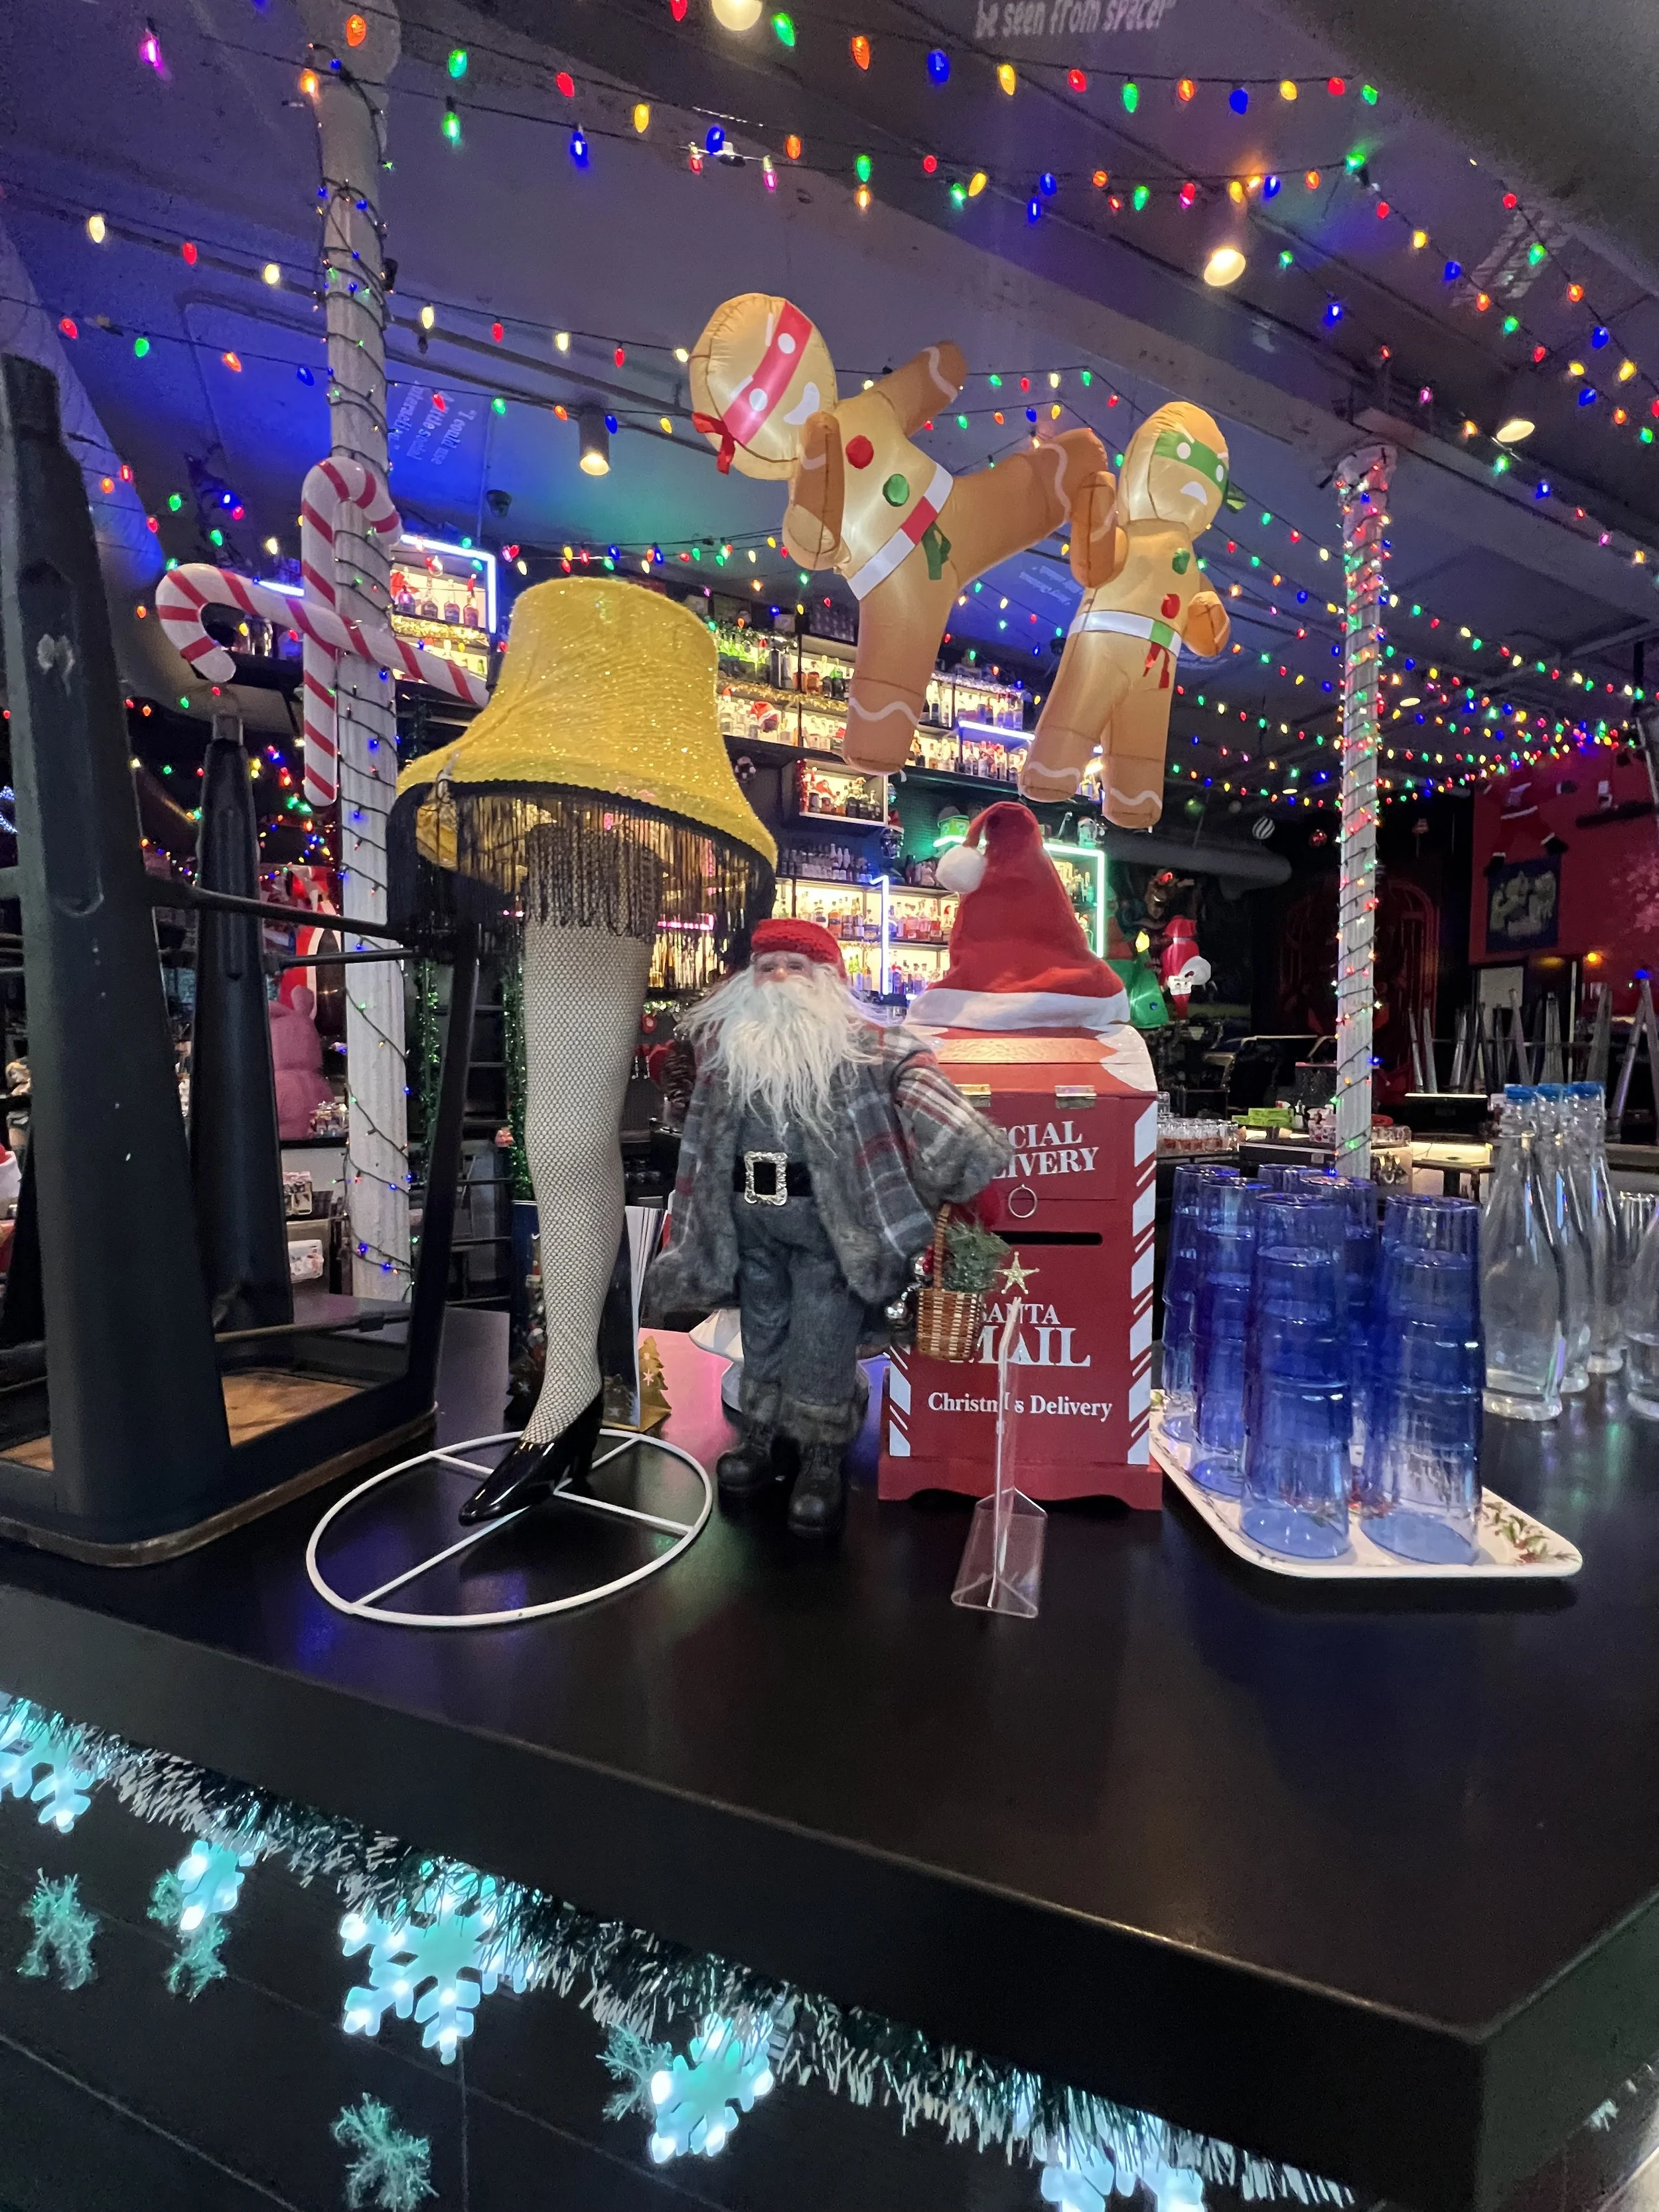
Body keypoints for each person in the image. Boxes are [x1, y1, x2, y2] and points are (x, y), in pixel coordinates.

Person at [645, 917, 1009, 1534]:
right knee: (761, 1329)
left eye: (796, 967)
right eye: (768, 967)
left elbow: (915, 1072)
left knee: (823, 1333)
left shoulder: (865, 1046)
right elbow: (697, 1124)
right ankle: (761, 1432)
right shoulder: (728, 1051)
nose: (780, 978)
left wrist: (959, 1144)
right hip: (750, 1225)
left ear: (828, 981)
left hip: (829, 1230)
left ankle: (820, 1450)